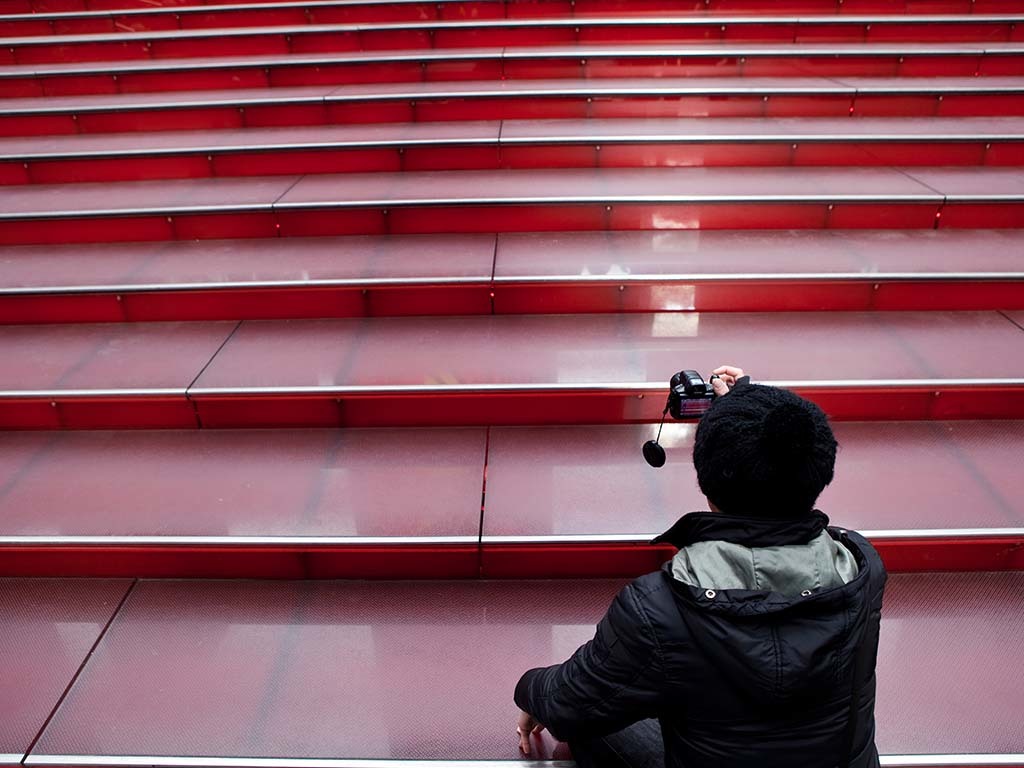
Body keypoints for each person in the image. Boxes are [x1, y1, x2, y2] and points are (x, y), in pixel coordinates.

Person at [514, 365, 887, 768]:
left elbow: (571, 705)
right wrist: (743, 405)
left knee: (601, 712)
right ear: (817, 471)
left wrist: (530, 690)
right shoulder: (863, 568)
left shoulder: (659, 608)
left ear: (708, 482)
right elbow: (787, 445)